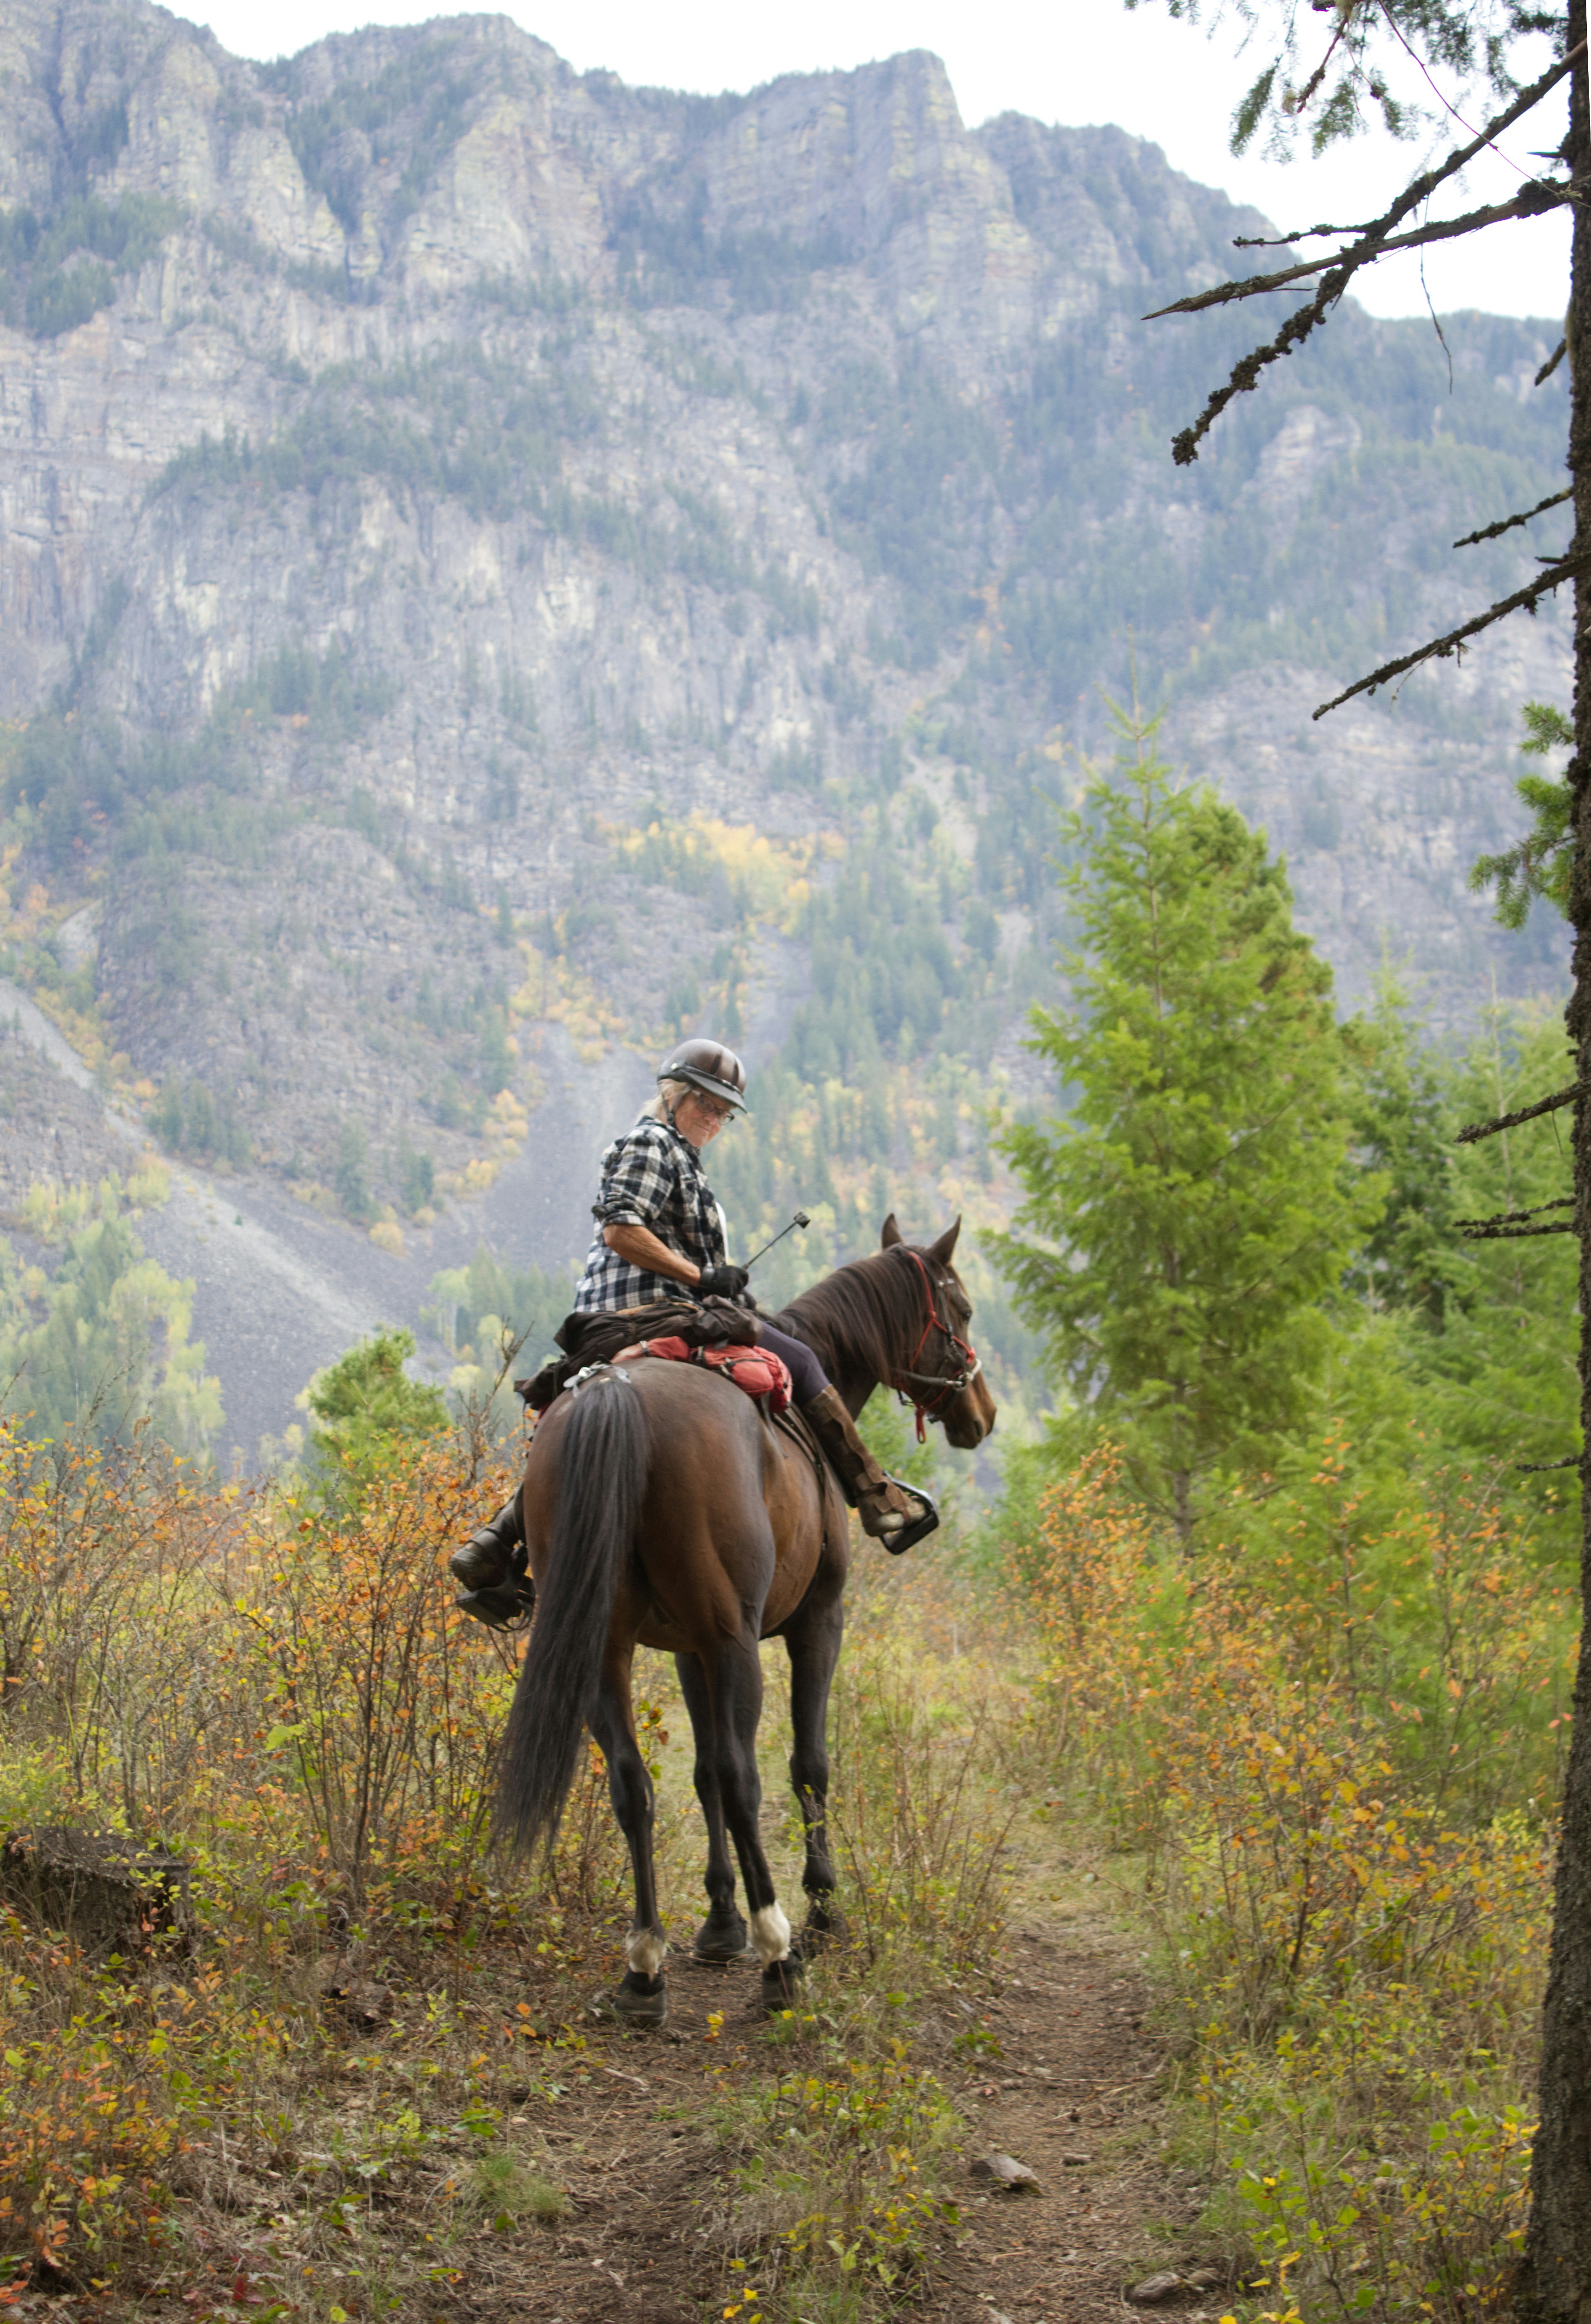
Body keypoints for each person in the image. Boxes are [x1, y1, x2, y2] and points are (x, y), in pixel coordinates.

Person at [449, 1038, 933, 1603]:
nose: (716, 1118)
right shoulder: (652, 1142)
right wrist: (703, 1280)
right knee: (799, 1359)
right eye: (706, 1104)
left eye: (725, 1111)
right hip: (651, 1310)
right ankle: (877, 1497)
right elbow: (621, 1230)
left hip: (649, 1308)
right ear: (672, 1095)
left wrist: (716, 1278)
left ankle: (503, 1536)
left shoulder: (677, 1153)